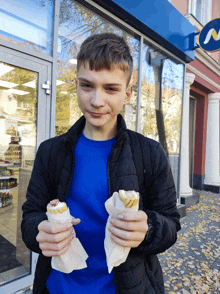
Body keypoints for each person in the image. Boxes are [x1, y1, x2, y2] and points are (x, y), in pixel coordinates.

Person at [21, 33, 181, 294]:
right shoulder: (50, 152)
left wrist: (148, 228)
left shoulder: (150, 154)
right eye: (87, 86)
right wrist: (40, 231)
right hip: (57, 287)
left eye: (111, 88)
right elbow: (30, 217)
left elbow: (170, 224)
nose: (97, 101)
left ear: (128, 93)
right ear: (75, 86)